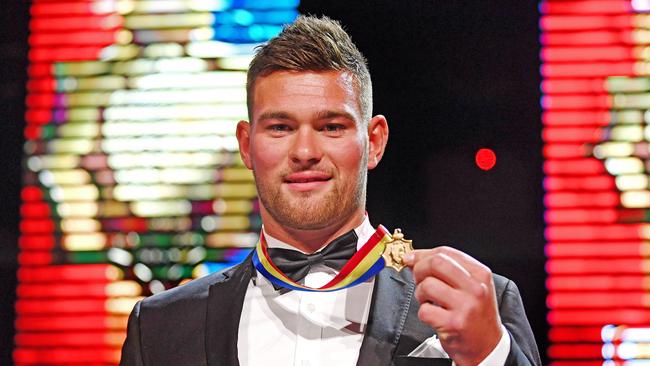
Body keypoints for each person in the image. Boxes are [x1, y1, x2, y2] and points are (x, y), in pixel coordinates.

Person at [120, 15, 541, 366]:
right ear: (247, 145)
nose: (305, 151)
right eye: (280, 127)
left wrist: (490, 354)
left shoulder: (477, 307)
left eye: (331, 127)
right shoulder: (160, 327)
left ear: (374, 141)